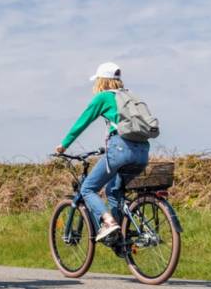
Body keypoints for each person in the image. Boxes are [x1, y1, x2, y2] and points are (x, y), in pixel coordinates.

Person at [55, 62, 150, 241]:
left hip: (121, 150)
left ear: (102, 81)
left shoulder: (103, 97)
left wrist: (63, 145)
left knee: (88, 188)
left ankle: (108, 222)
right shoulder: (130, 96)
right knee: (113, 190)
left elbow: (82, 122)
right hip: (143, 151)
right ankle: (120, 238)